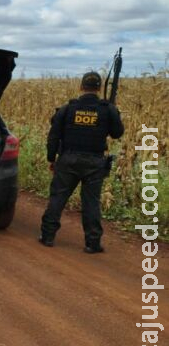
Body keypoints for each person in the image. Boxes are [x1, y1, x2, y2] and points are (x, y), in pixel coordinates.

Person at [39, 71, 124, 253]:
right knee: (91, 202)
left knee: (58, 198)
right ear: (99, 88)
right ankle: (92, 243)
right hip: (94, 161)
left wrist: (51, 158)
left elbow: (53, 136)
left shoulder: (68, 109)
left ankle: (47, 237)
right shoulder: (106, 109)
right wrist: (114, 112)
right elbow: (117, 133)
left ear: (81, 87)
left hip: (68, 159)